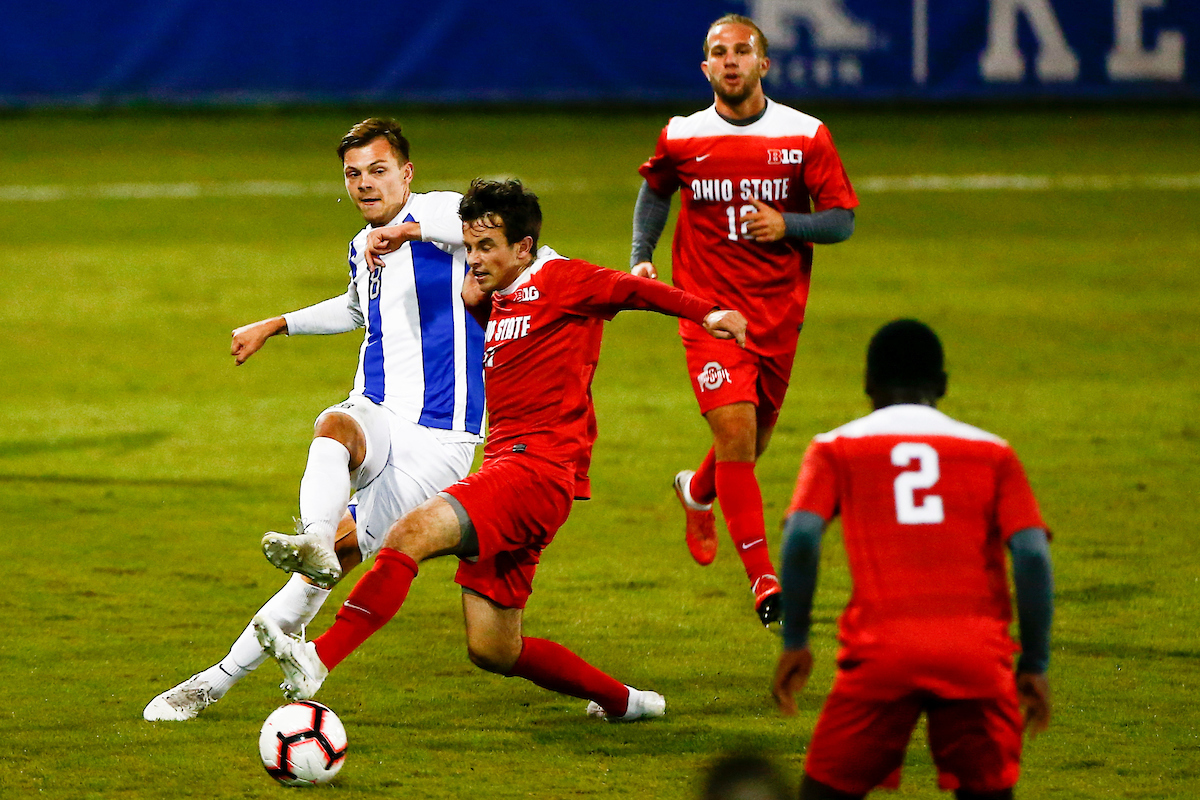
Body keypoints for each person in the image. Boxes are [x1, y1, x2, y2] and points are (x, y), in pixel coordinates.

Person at [253, 178, 748, 721]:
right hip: (515, 473)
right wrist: (477, 308)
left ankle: (317, 659)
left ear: (524, 248)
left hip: (534, 471)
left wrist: (708, 314)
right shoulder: (498, 298)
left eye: (487, 247)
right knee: (494, 647)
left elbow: (636, 291)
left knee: (409, 533)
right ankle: (625, 702)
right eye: (470, 246)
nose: (475, 258)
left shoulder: (564, 278)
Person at [143, 118, 484, 721]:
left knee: (311, 587)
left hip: (438, 436)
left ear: (406, 173)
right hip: (376, 410)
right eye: (353, 175)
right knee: (333, 425)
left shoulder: (445, 215)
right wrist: (275, 324)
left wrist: (404, 231)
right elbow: (357, 306)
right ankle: (315, 540)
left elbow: (494, 223)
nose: (365, 184)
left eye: (378, 171)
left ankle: (215, 683)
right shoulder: (362, 245)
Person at [631, 14, 858, 626]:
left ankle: (697, 491)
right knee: (735, 435)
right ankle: (765, 581)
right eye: (717, 53)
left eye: (742, 51)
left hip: (778, 315)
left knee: (748, 448)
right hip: (708, 310)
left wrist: (789, 224)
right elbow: (657, 190)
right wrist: (641, 257)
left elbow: (841, 218)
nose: (730, 61)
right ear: (706, 68)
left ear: (764, 64)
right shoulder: (682, 135)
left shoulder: (805, 135)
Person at [771, 320, 1054, 799]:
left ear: (867, 384)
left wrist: (796, 638)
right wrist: (1036, 661)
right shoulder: (994, 453)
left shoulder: (834, 448)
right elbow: (1031, 554)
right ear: (943, 385)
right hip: (977, 660)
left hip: (881, 655)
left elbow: (800, 535)